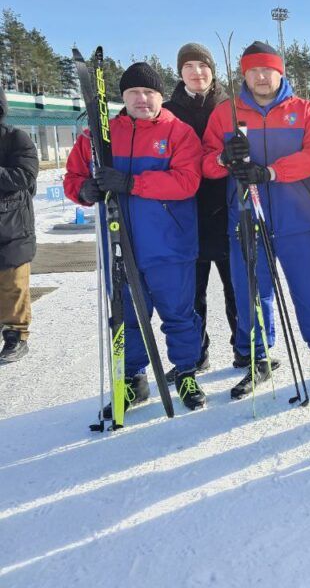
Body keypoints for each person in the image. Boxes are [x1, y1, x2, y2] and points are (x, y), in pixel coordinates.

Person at [202, 41, 310, 396]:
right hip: (247, 217)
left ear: (280, 72)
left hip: (299, 218)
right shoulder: (226, 113)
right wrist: (223, 158)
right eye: (254, 71)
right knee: (253, 292)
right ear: (244, 74)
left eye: (268, 70)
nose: (262, 77)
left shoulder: (305, 110)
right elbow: (204, 163)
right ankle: (258, 359)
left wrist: (271, 173)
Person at [65, 62, 206, 412]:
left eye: (149, 92)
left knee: (179, 314)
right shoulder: (99, 136)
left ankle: (186, 372)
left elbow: (187, 182)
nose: (142, 99)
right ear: (123, 96)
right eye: (134, 93)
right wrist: (85, 189)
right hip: (119, 243)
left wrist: (132, 184)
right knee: (126, 316)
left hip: (169, 244)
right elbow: (73, 176)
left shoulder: (179, 133)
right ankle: (133, 379)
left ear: (160, 96)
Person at [161, 42, 240, 379]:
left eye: (202, 65)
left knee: (236, 285)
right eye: (189, 66)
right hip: (183, 214)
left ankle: (245, 349)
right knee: (191, 293)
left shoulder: (230, 106)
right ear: (180, 73)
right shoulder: (165, 110)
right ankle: (195, 354)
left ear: (213, 70)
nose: (197, 72)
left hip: (226, 208)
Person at [0, 85, 38, 365]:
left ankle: (16, 335)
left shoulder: (16, 138)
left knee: (13, 284)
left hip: (12, 225)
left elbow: (24, 176)